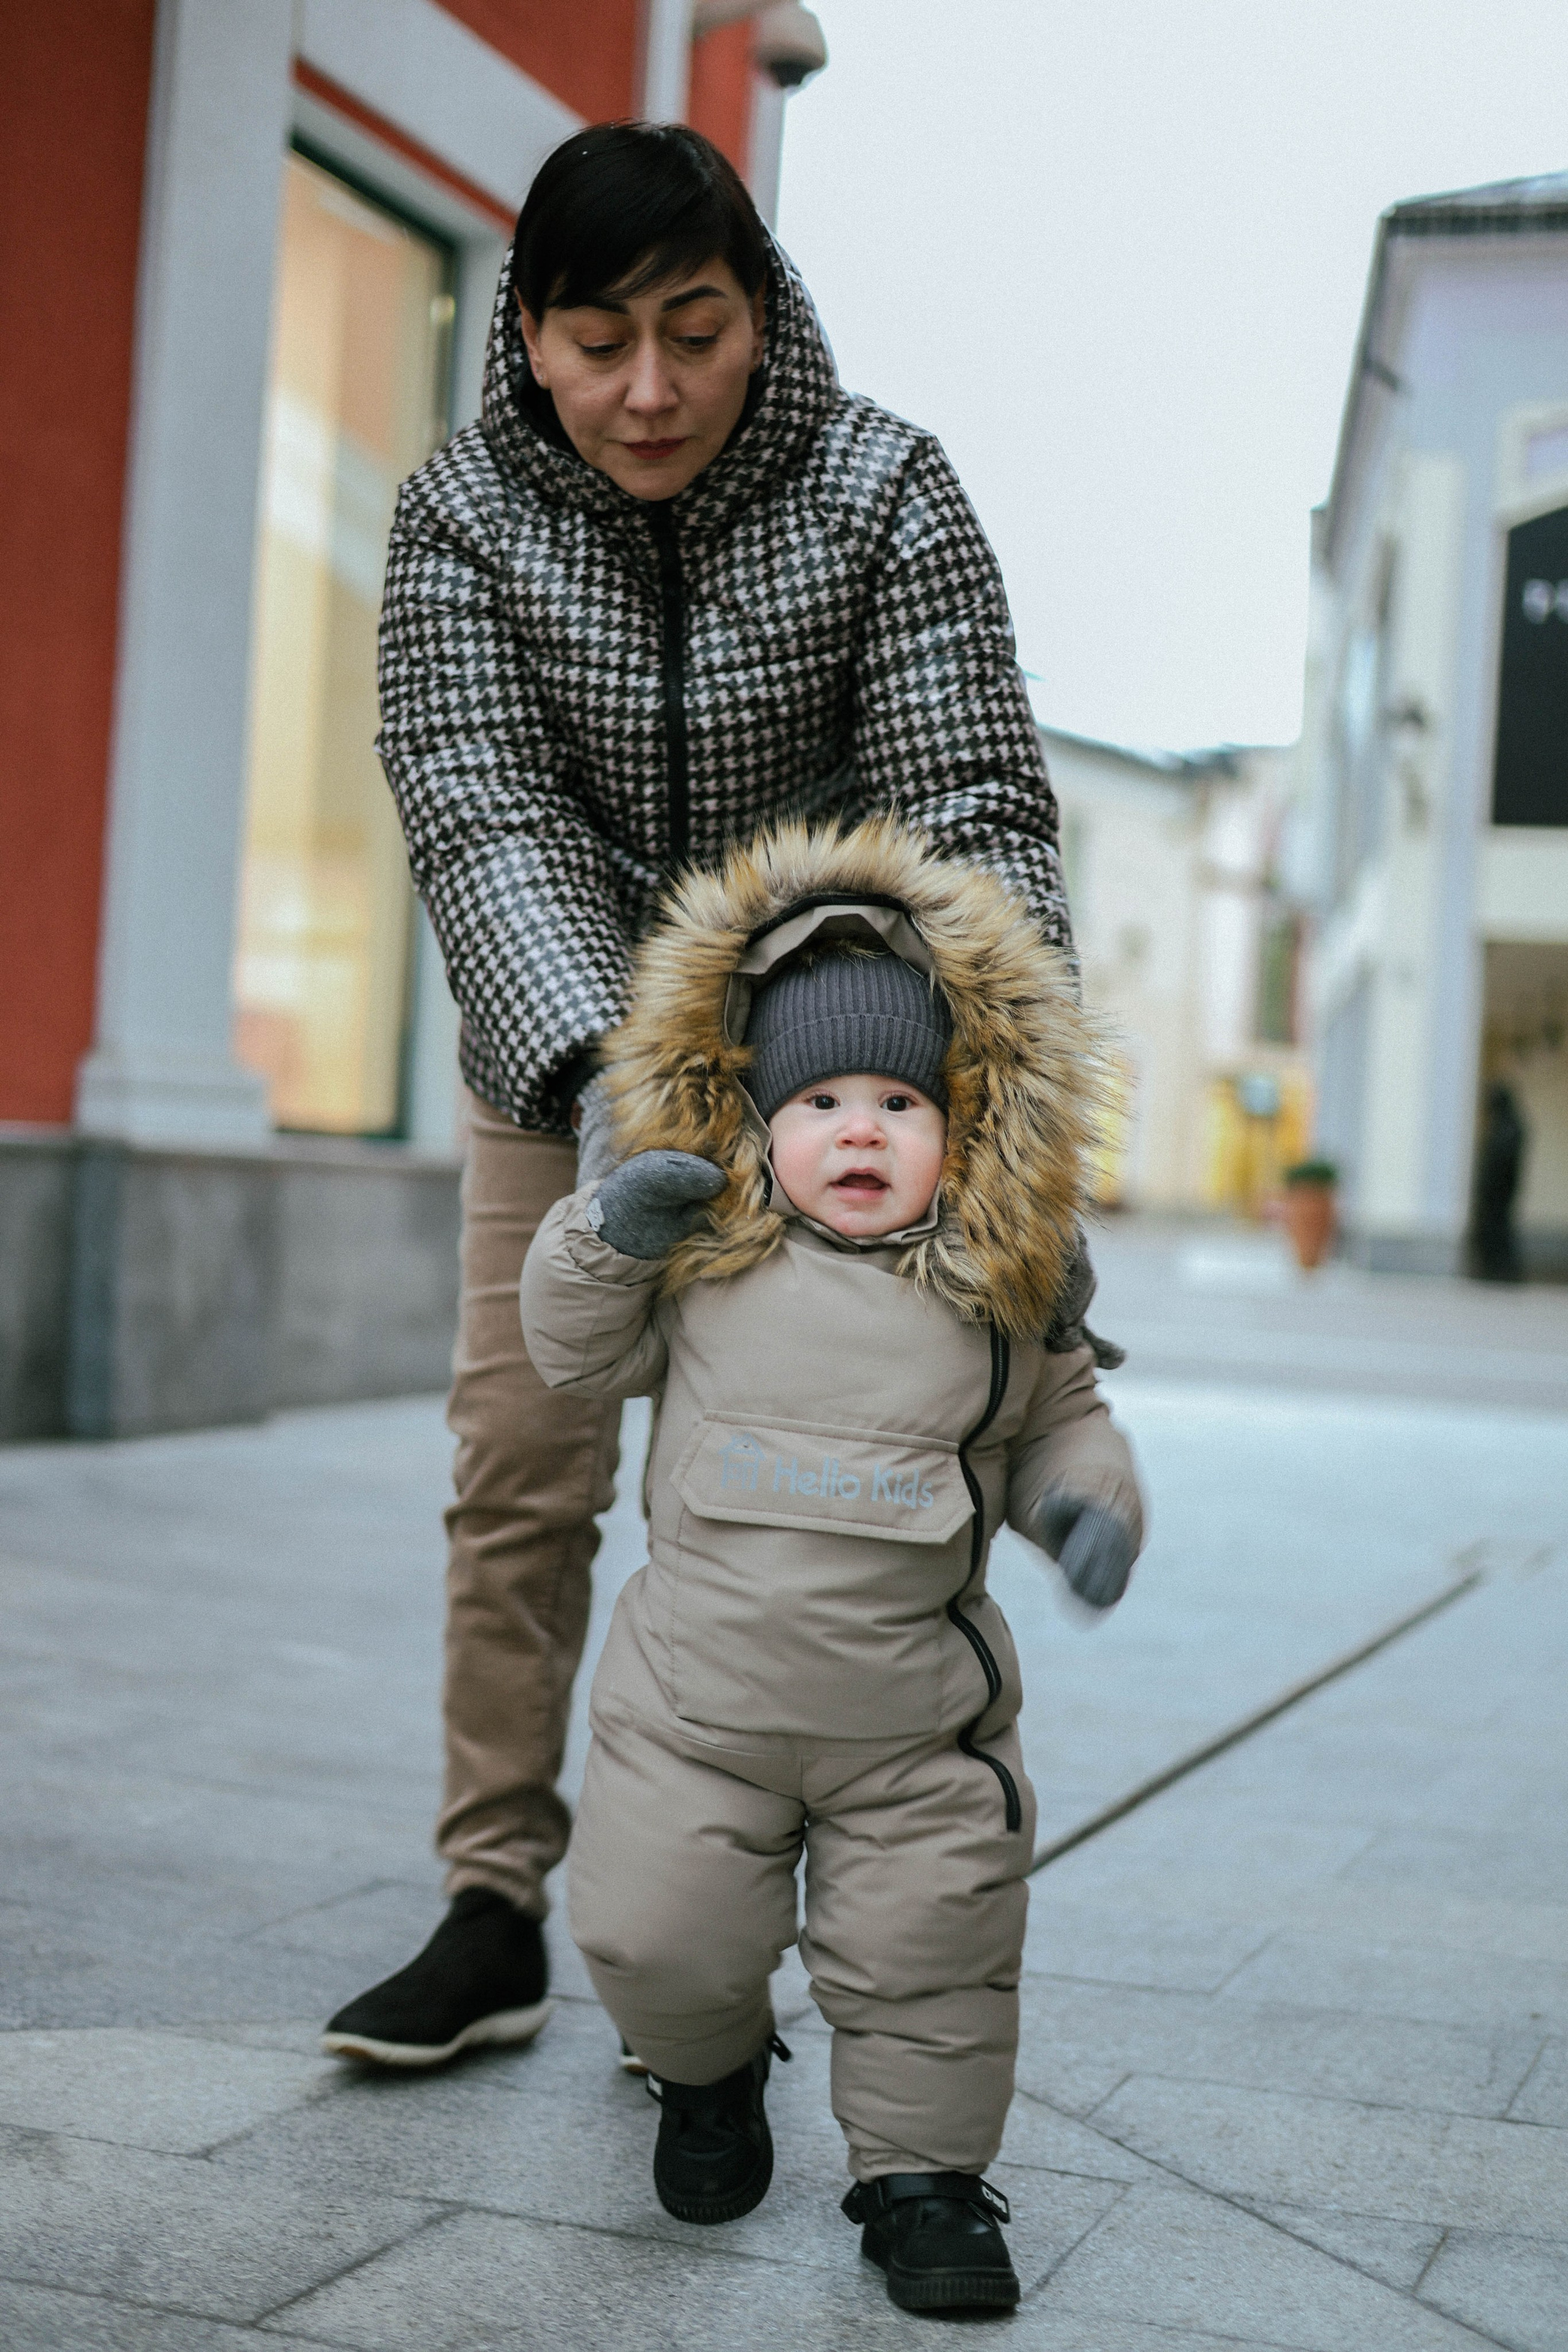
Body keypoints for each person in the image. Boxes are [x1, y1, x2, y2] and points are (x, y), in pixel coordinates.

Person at [325, 120, 1088, 2068]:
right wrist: (613, 1080)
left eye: (694, 328)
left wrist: (988, 1131)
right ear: (529, 339)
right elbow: (479, 803)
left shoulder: (882, 489)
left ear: (763, 312)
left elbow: (972, 804)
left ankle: (841, 1874)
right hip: (568, 1064)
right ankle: (493, 1899)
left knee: (862, 1462)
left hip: (851, 1070)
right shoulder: (459, 517)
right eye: (597, 339)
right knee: (522, 1466)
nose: (647, 389)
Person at [517, 814, 1144, 2313]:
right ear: (752, 1121)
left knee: (930, 1953)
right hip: (694, 1714)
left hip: (912, 1734)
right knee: (645, 1925)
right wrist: (607, 1233)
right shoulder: (701, 1254)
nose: (858, 1130)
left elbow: (1067, 1418)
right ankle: (707, 2073)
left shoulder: (999, 1292)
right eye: (817, 1101)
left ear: (966, 1126)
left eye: (898, 1103)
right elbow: (567, 1352)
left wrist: (1079, 1506)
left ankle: (919, 2185)